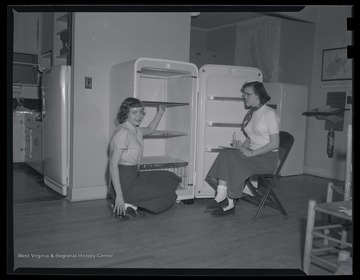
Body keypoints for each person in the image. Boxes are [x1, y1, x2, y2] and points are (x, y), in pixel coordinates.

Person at [205, 81, 280, 216]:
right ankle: (223, 194)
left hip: (266, 159)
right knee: (226, 152)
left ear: (258, 95)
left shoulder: (269, 114)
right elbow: (252, 138)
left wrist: (251, 153)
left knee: (232, 160)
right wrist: (242, 145)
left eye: (247, 94)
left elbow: (275, 143)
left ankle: (226, 198)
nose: (244, 97)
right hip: (254, 154)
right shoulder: (252, 113)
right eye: (244, 94)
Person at [109, 97, 181, 219]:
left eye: (141, 112)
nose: (139, 116)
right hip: (124, 185)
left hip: (134, 176)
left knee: (168, 177)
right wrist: (119, 196)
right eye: (134, 112)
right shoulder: (123, 133)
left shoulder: (135, 130)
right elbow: (112, 166)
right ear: (125, 113)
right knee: (166, 192)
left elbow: (151, 129)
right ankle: (126, 202)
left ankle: (130, 205)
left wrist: (160, 113)